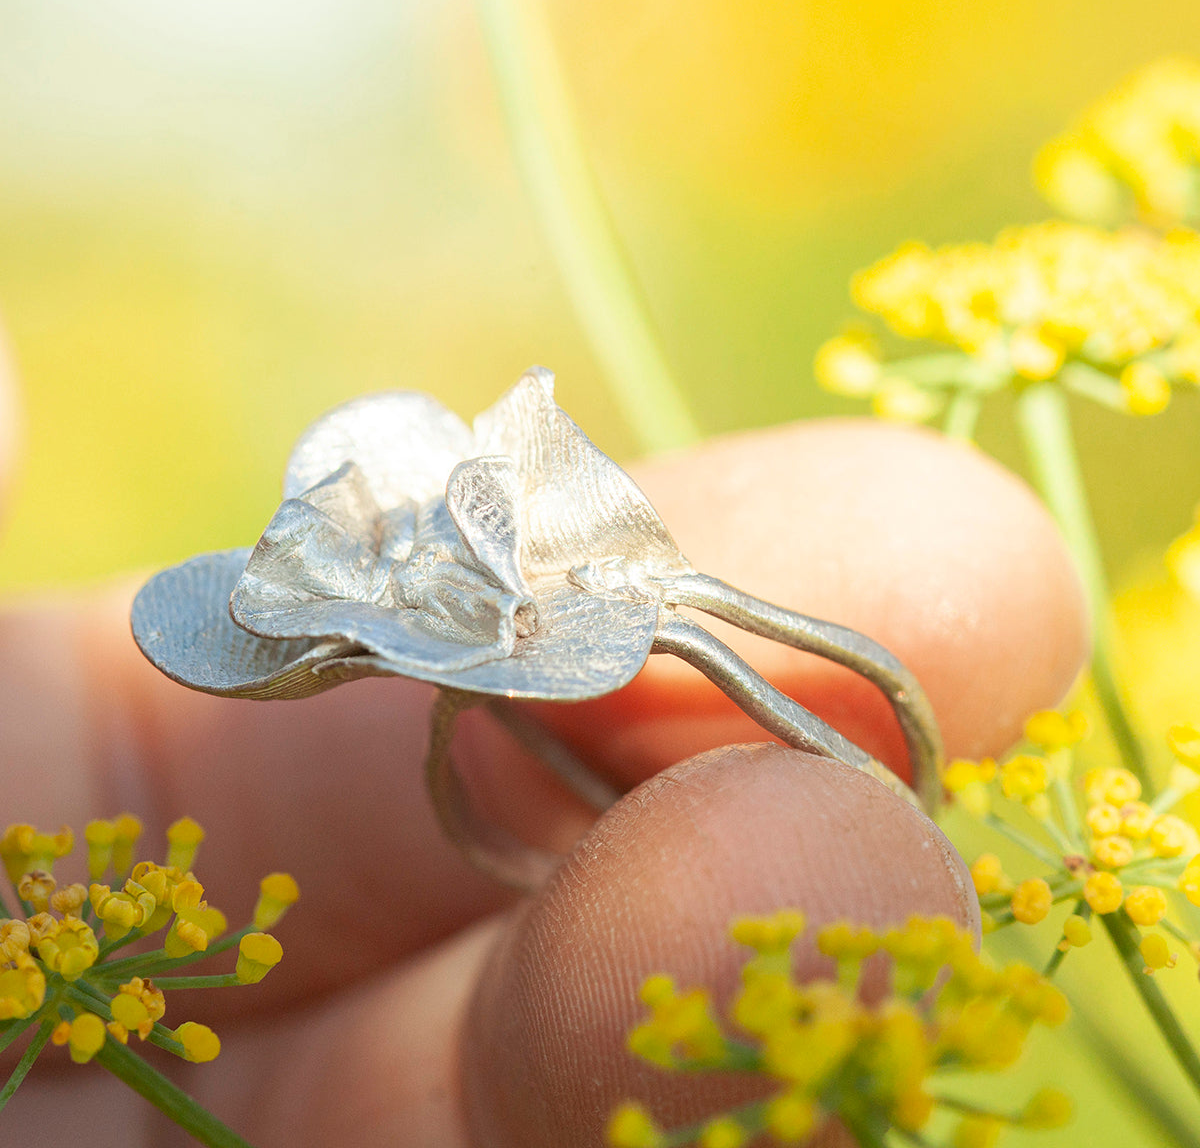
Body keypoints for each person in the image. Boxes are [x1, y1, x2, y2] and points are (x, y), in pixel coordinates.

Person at [0, 352, 1087, 1147]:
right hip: (506, 654)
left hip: (581, 591)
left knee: (706, 632)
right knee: (629, 683)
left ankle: (872, 800)